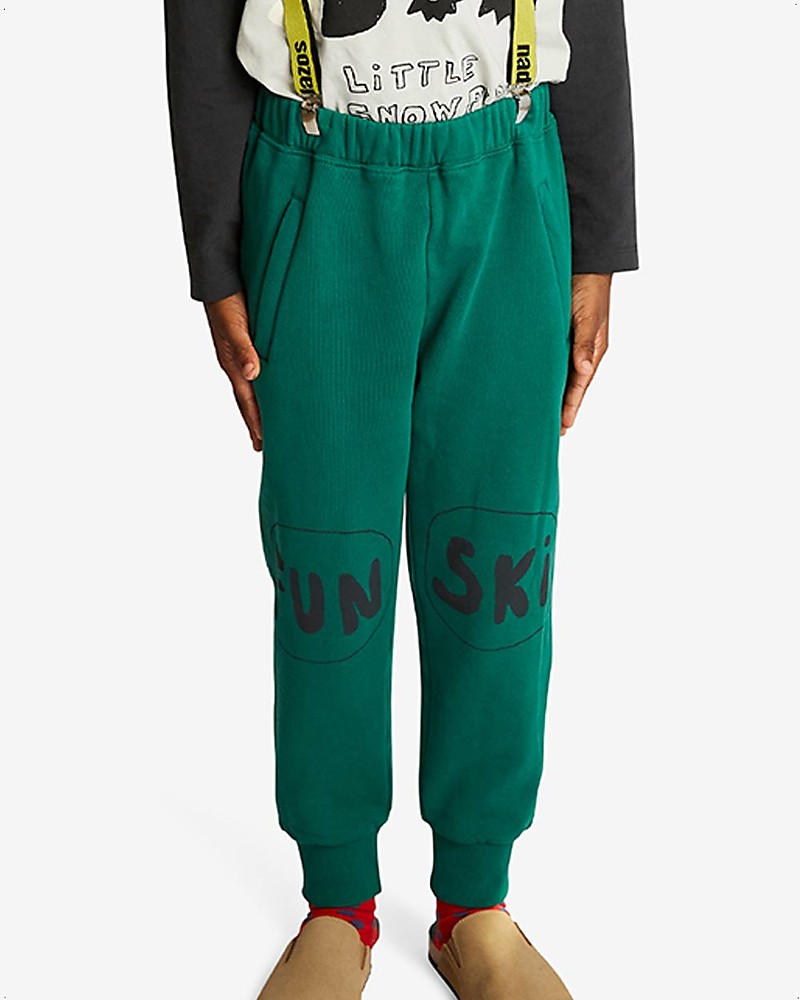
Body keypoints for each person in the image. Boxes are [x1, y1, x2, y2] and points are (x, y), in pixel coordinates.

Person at [163, 0, 638, 996]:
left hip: (507, 175)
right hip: (312, 181)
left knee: (500, 566)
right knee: (329, 567)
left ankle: (475, 901)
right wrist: (215, 257)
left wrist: (598, 240)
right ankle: (337, 901)